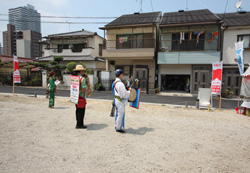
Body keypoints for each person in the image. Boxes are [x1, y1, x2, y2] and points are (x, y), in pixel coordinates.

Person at [113, 69, 131, 133]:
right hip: (119, 100)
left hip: (116, 99)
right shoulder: (120, 83)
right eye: (122, 74)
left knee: (118, 113)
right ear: (120, 75)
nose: (122, 75)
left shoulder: (115, 82)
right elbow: (124, 94)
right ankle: (118, 128)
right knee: (121, 114)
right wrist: (129, 91)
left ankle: (117, 125)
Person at [73, 65, 91, 129]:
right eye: (83, 70)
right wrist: (88, 90)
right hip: (81, 96)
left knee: (77, 110)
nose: (83, 71)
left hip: (75, 96)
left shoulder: (74, 78)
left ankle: (78, 122)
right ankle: (80, 124)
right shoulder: (82, 79)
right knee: (81, 111)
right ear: (80, 71)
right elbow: (83, 89)